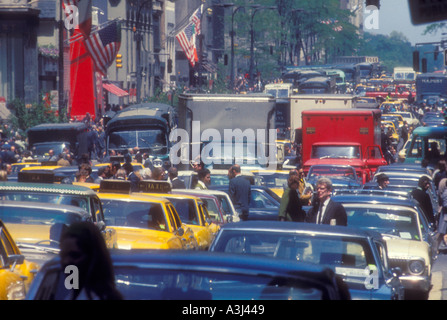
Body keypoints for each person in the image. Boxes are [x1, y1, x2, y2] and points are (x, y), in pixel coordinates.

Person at [59, 221, 123, 300]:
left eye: (74, 255)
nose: (66, 261)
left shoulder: (106, 297)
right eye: (63, 255)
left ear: (94, 258)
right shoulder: (65, 293)